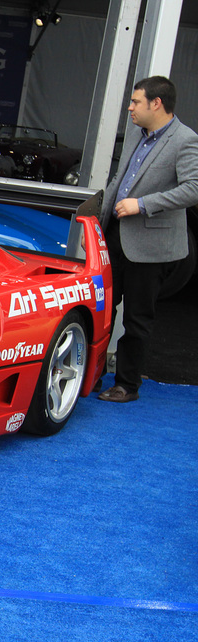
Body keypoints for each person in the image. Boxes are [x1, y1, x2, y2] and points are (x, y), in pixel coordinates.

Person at [97, 75, 198, 403]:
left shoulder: (185, 140)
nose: (130, 107)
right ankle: (94, 375)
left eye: (136, 101)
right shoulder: (136, 136)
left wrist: (142, 205)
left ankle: (126, 385)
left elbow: (193, 189)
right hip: (115, 236)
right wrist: (99, 220)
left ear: (157, 104)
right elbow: (120, 180)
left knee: (137, 318)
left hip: (150, 247)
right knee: (102, 310)